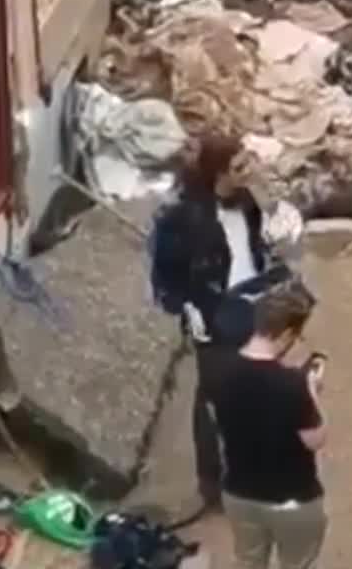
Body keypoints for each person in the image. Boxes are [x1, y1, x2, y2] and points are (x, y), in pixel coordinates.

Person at [148, 134, 239, 512]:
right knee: (216, 397)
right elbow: (167, 278)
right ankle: (213, 483)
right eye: (241, 165)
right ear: (221, 172)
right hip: (210, 316)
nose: (249, 170)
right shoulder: (189, 219)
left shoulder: (235, 204)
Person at [212, 279, 327, 569]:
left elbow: (220, 421)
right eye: (297, 335)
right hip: (291, 500)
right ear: (286, 333)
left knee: (248, 562)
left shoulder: (219, 372)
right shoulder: (293, 385)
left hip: (239, 494)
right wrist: (311, 391)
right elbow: (315, 439)